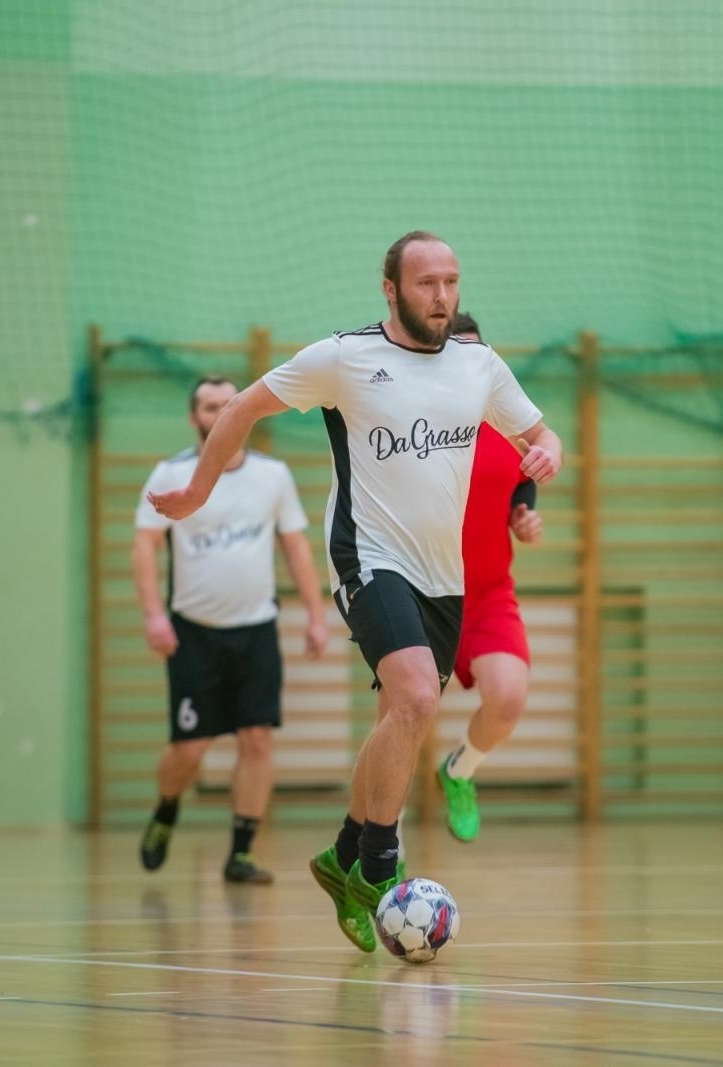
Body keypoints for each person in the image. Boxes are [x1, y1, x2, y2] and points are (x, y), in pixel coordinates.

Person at [148, 231, 563, 952]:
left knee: (400, 719)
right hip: (368, 558)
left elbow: (538, 432)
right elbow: (243, 408)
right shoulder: (344, 358)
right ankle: (377, 865)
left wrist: (548, 448)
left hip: (445, 579)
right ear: (391, 288)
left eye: (451, 282)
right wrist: (197, 490)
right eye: (427, 282)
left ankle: (341, 855)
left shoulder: (479, 366)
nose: (441, 296)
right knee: (418, 698)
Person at [133, 376, 330, 884]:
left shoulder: (273, 477)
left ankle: (241, 851)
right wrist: (154, 613)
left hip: (256, 630)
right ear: (193, 416)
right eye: (208, 406)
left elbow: (295, 547)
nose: (219, 412)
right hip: (194, 633)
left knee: (257, 740)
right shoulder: (171, 473)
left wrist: (315, 613)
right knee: (190, 749)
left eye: (228, 404)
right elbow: (145, 546)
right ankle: (168, 807)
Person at [434, 311, 545, 842]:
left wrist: (523, 516)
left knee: (508, 697)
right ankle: (384, 846)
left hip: (486, 595)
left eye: (482, 354)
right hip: (422, 593)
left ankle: (459, 770)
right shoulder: (419, 430)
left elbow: (521, 485)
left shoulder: (507, 431)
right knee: (401, 720)